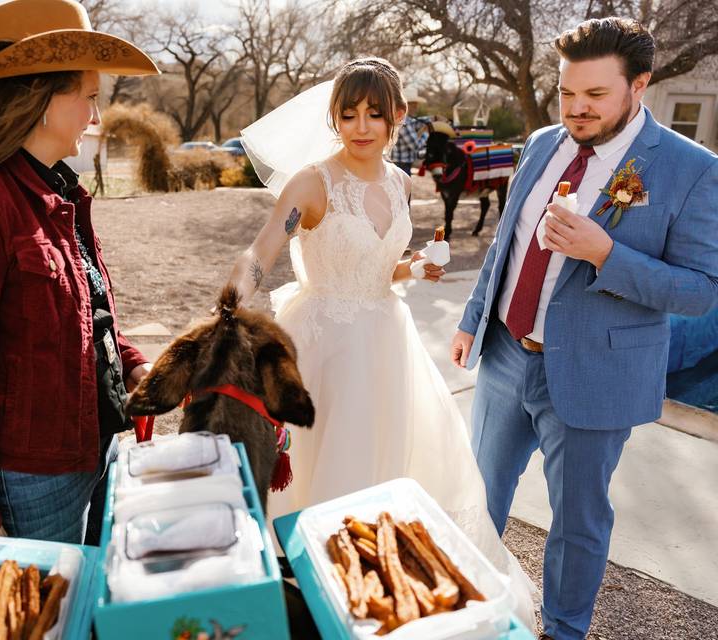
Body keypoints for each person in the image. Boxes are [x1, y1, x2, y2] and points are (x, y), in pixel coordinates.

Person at [232, 57, 536, 622]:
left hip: (387, 341)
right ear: (334, 118)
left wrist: (413, 268)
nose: (362, 125)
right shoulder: (312, 182)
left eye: (375, 112)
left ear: (396, 115)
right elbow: (265, 246)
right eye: (348, 114)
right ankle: (317, 597)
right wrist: (236, 290)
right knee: (324, 469)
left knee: (390, 465)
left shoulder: (399, 182)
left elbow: (379, 265)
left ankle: (378, 593)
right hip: (325, 347)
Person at [450, 17, 718, 640]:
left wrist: (607, 254)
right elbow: (508, 243)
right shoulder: (543, 143)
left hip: (597, 372)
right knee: (478, 494)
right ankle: (470, 610)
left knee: (577, 521)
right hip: (503, 356)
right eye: (568, 93)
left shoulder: (691, 169)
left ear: (640, 86)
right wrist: (472, 320)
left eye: (596, 95)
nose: (577, 109)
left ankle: (563, 631)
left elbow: (702, 291)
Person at [0, 0, 159, 544]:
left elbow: (87, 309)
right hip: (33, 482)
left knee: (90, 613)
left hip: (96, 444)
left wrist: (130, 364)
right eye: (89, 97)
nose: (96, 118)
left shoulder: (58, 188)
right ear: (42, 98)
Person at [389, 86, 428, 175]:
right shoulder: (403, 122)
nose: (416, 107)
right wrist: (425, 134)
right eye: (414, 104)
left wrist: (432, 119)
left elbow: (416, 122)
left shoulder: (405, 119)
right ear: (407, 105)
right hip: (401, 165)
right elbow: (416, 147)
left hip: (400, 164)